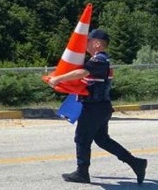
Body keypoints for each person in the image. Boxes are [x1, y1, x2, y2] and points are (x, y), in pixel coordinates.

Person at [48, 29, 147, 184]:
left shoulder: (99, 60)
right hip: (101, 107)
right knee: (102, 139)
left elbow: (82, 72)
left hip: (95, 108)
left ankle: (82, 173)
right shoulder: (101, 60)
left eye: (88, 40)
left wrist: (58, 79)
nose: (85, 44)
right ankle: (136, 163)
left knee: (81, 138)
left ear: (98, 43)